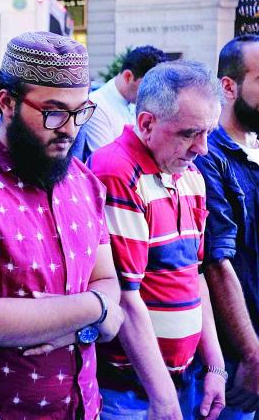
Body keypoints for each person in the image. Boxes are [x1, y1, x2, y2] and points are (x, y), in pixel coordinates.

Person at [0, 31, 123, 419]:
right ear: (6, 102)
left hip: (84, 407)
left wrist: (75, 326)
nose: (68, 128)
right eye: (53, 112)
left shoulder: (84, 181)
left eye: (81, 112)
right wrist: (94, 309)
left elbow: (107, 280)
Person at [89, 60, 226, 419]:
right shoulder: (117, 171)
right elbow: (125, 298)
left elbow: (194, 277)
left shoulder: (190, 174)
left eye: (208, 132)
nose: (203, 148)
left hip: (181, 382)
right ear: (147, 123)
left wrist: (215, 366)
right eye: (189, 133)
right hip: (133, 393)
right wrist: (163, 399)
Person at [195, 35, 259, 420]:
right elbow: (218, 264)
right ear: (228, 86)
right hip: (238, 361)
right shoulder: (209, 156)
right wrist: (252, 354)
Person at [74, 46, 167, 160]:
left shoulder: (136, 102)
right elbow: (107, 162)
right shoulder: (96, 105)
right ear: (128, 77)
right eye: (149, 87)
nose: (153, 93)